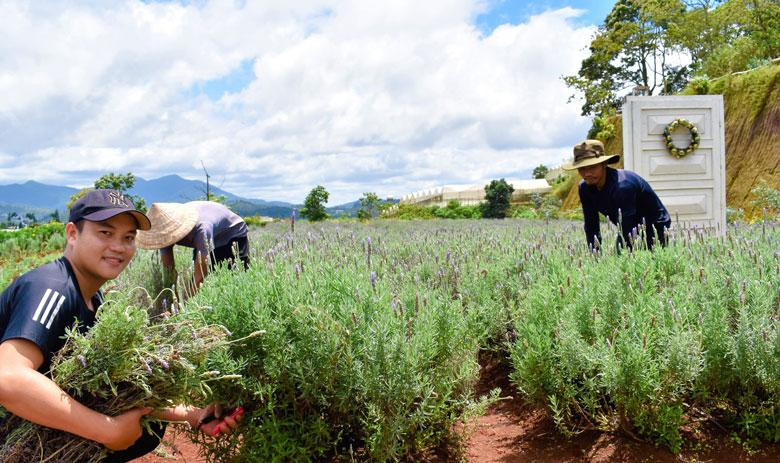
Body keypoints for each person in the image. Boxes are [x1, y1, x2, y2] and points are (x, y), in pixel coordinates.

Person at [0, 189, 239, 462]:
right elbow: (9, 378)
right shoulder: (53, 288)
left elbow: (111, 390)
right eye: (105, 233)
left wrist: (194, 415)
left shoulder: (93, 299)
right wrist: (107, 430)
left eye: (128, 238)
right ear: (72, 234)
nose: (119, 246)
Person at [562, 140, 671, 251]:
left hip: (655, 224)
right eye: (582, 169)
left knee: (641, 258)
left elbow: (628, 227)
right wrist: (595, 255)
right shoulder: (584, 188)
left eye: (592, 167)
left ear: (604, 164)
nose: (587, 173)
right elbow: (591, 225)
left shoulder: (623, 186)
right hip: (627, 225)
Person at [136, 201, 249, 290]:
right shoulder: (163, 232)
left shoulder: (202, 229)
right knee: (200, 285)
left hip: (232, 233)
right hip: (205, 235)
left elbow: (200, 277)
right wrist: (171, 294)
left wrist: (185, 307)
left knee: (236, 277)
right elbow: (168, 269)